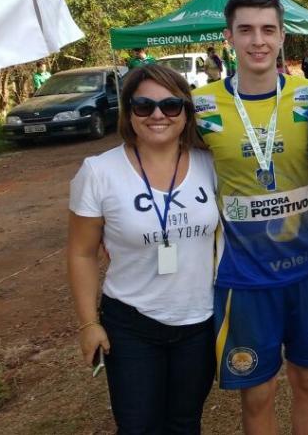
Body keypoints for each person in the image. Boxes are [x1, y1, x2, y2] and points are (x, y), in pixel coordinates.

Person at [191, 0, 308, 434]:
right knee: (259, 392)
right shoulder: (200, 107)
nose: (258, 40)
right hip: (244, 278)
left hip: (305, 270)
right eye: (247, 30)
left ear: (282, 37)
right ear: (229, 37)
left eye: (268, 30)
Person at [67, 64, 218, 433]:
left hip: (199, 320)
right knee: (138, 427)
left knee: (185, 423)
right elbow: (81, 253)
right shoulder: (99, 171)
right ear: (128, 111)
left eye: (170, 106)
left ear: (186, 112)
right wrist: (88, 324)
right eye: (143, 106)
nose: (157, 115)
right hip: (132, 322)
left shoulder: (209, 163)